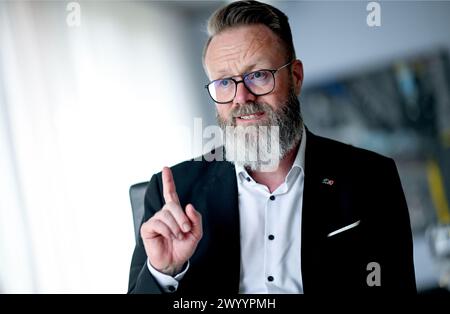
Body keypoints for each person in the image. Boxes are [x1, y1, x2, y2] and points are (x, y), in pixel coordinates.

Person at [128, 0, 416, 294]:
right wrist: (164, 274)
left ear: (296, 77)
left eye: (258, 75)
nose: (242, 98)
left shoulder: (371, 177)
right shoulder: (173, 193)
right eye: (225, 82)